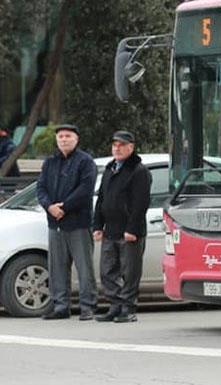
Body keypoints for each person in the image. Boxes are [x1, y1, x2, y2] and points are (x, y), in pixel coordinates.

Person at [36, 124, 98, 320]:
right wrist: (50, 207)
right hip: (55, 224)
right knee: (57, 268)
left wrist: (64, 207)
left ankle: (87, 306)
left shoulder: (85, 162)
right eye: (60, 136)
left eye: (68, 136)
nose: (63, 139)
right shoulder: (49, 162)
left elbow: (86, 189)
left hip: (78, 222)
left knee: (84, 268)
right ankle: (61, 306)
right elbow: (40, 188)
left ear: (76, 139)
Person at [93, 131, 151, 323]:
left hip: (129, 231)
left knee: (130, 271)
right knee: (107, 270)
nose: (117, 148)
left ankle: (128, 307)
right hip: (110, 229)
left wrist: (132, 229)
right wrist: (97, 224)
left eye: (121, 145)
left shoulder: (139, 170)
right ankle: (115, 305)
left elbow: (141, 203)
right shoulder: (110, 168)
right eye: (114, 145)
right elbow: (101, 199)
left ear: (131, 147)